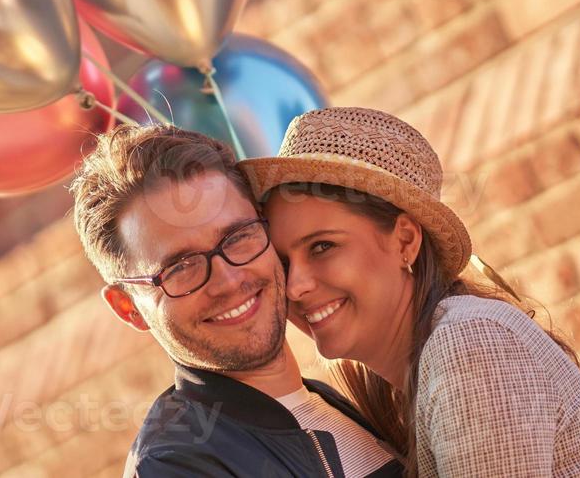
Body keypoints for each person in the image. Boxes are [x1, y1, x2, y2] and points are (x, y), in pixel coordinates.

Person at [241, 106, 580, 477]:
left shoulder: (470, 345)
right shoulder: (398, 384)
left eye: (322, 247)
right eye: (283, 262)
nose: (295, 286)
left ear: (405, 241)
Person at [71, 124, 405, 477]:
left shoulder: (326, 401)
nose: (228, 281)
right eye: (180, 267)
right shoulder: (174, 465)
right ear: (129, 308)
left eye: (236, 237)